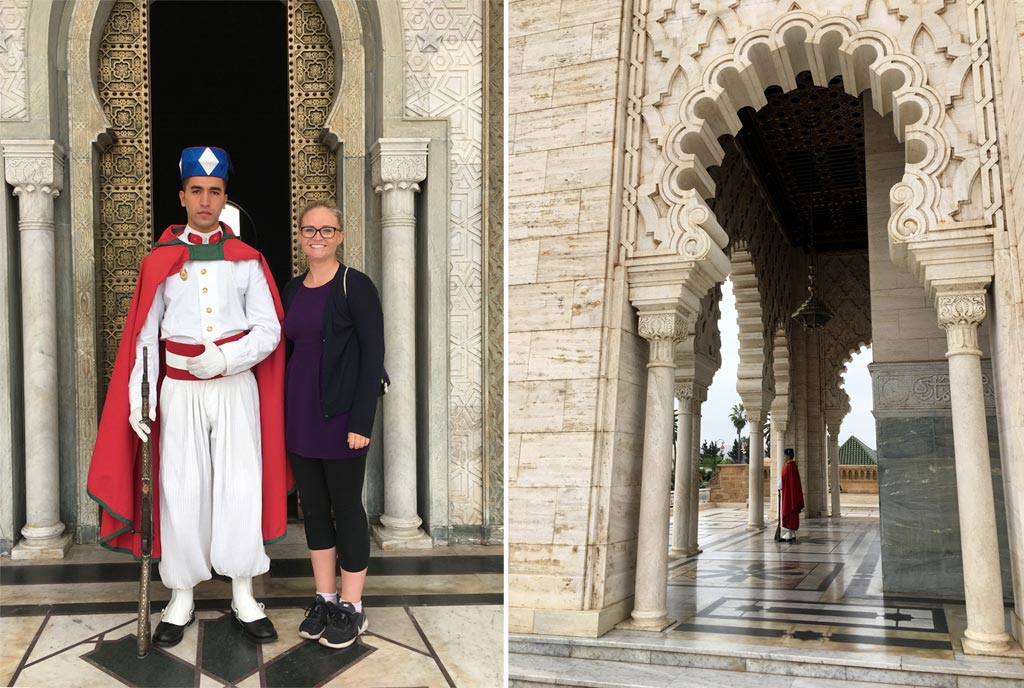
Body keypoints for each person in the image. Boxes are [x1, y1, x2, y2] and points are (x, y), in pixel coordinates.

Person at [87, 146, 291, 647]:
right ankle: (180, 598)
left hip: (233, 387)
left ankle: (244, 594)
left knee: (239, 486)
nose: (205, 200)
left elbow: (268, 330)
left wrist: (225, 360)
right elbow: (144, 335)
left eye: (215, 192)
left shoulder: (248, 261)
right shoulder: (159, 261)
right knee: (181, 490)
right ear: (181, 196)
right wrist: (140, 400)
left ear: (225, 198)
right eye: (196, 191)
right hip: (177, 391)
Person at [281, 199, 384, 650]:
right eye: (310, 230)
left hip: (343, 419)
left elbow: (373, 356)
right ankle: (324, 598)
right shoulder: (291, 289)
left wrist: (362, 420)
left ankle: (353, 606)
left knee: (347, 510)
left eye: (327, 230)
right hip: (300, 418)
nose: (317, 237)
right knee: (315, 512)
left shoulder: (355, 286)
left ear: (340, 235)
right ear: (300, 236)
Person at [779, 447, 804, 542]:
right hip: (791, 493)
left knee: (788, 511)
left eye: (785, 456)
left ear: (788, 456)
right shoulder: (794, 466)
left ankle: (789, 534)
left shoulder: (788, 467)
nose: (784, 457)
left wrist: (780, 485)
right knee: (792, 513)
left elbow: (784, 479)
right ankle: (792, 534)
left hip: (789, 495)